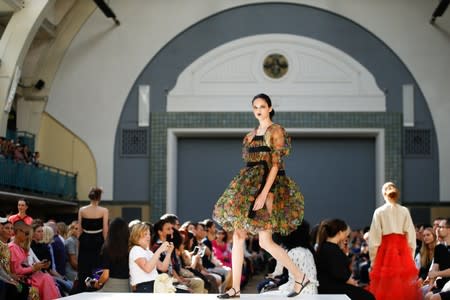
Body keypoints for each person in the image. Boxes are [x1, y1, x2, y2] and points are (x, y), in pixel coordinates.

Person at [213, 93, 307, 298]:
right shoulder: (249, 135)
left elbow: (275, 165)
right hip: (247, 187)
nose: (258, 110)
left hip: (268, 187)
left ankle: (299, 276)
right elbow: (250, 165)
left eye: (262, 106)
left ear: (270, 108)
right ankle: (235, 289)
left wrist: (264, 194)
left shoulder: (277, 131)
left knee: (265, 241)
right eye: (255, 106)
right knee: (238, 235)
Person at [368, 182, 420, 300]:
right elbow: (411, 235)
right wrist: (410, 256)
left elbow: (374, 239)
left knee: (386, 284)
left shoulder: (379, 211)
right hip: (402, 250)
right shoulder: (404, 210)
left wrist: (373, 260)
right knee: (402, 284)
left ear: (383, 194)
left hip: (385, 251)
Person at [315, 218, 374, 300]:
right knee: (368, 297)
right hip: (333, 288)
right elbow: (339, 273)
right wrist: (351, 282)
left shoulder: (327, 247)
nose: (347, 235)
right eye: (345, 232)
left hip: (330, 287)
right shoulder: (331, 249)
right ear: (340, 232)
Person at [9, 220, 60, 300]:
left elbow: (27, 265)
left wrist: (39, 266)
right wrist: (33, 268)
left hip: (29, 276)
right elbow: (17, 271)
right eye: (26, 233)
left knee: (47, 278)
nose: (28, 236)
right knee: (46, 278)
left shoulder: (19, 247)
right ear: (18, 232)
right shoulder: (12, 248)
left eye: (28, 234)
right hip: (23, 279)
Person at [76, 187, 109, 292]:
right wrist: (106, 247)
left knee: (84, 268)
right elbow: (105, 230)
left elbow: (79, 230)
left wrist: (78, 248)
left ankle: (83, 290)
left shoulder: (82, 210)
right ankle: (96, 289)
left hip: (85, 240)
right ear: (99, 197)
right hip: (98, 241)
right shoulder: (104, 210)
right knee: (97, 267)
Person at [129, 222, 173, 293]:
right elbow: (147, 268)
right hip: (144, 287)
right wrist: (159, 250)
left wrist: (169, 253)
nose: (148, 236)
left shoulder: (148, 251)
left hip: (154, 285)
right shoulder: (136, 249)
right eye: (145, 234)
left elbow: (163, 268)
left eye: (149, 234)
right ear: (136, 236)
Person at [91, 217, 130, 292]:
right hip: (127, 286)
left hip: (111, 286)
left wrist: (98, 283)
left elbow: (105, 275)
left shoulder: (107, 248)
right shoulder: (130, 247)